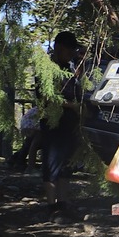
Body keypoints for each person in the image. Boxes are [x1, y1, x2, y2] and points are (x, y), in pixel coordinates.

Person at [41, 31, 86, 218]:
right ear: (59, 48)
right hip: (53, 123)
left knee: (66, 165)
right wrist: (71, 106)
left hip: (70, 123)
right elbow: (47, 96)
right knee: (52, 164)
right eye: (70, 50)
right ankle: (51, 206)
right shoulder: (47, 68)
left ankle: (64, 202)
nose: (72, 54)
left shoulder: (69, 69)